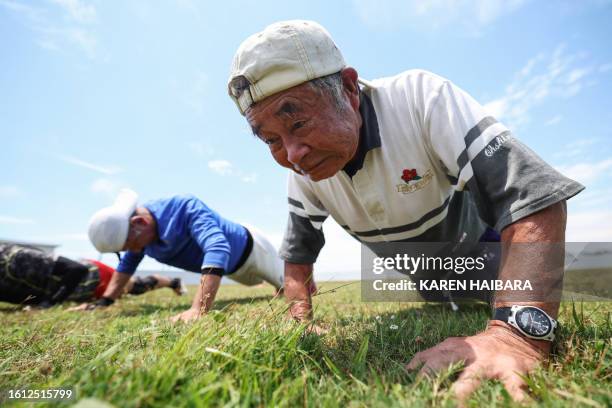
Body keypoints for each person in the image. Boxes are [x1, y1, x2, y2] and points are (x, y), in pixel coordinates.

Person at [227, 20, 585, 401]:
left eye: (297, 121)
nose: (293, 155)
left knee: (512, 291)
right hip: (428, 278)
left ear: (348, 88)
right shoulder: (303, 174)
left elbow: (531, 196)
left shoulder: (419, 99)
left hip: (483, 250)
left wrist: (518, 335)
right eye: (271, 141)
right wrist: (300, 321)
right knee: (442, 297)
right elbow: (297, 259)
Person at [81, 189, 287, 322]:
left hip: (255, 250)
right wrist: (104, 303)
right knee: (253, 284)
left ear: (139, 223)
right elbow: (125, 268)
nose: (132, 251)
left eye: (130, 245)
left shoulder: (184, 206)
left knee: (286, 288)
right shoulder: (138, 238)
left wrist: (198, 309)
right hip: (233, 270)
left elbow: (217, 247)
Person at [0, 243, 183, 307]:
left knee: (135, 287)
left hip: (93, 276)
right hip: (78, 289)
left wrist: (50, 302)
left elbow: (75, 269)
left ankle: (172, 281)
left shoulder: (17, 258)